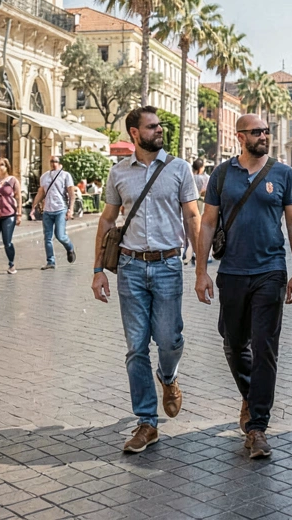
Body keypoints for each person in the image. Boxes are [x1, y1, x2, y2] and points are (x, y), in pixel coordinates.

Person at [195, 114, 292, 460]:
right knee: (232, 343)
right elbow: (208, 222)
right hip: (231, 272)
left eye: (267, 131)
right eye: (257, 132)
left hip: (270, 271)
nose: (264, 136)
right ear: (240, 137)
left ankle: (258, 426)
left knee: (265, 348)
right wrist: (201, 270)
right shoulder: (222, 174)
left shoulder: (282, 173)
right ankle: (251, 394)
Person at [92, 106, 200, 455]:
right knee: (136, 347)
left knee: (169, 339)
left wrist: (201, 269)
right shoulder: (118, 173)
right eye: (152, 127)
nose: (159, 130)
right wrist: (97, 270)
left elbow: (192, 217)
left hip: (168, 264)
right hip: (131, 267)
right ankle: (146, 422)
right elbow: (107, 222)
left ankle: (168, 378)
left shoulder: (179, 168)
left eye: (161, 126)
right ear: (134, 133)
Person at [32, 156, 78, 270]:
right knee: (47, 237)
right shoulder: (45, 176)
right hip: (47, 210)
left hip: (60, 209)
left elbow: (72, 194)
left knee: (60, 235)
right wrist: (34, 206)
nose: (53, 163)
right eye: (51, 161)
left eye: (56, 161)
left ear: (60, 163)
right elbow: (41, 192)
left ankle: (70, 248)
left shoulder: (65, 175)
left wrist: (70, 209)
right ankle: (50, 261)